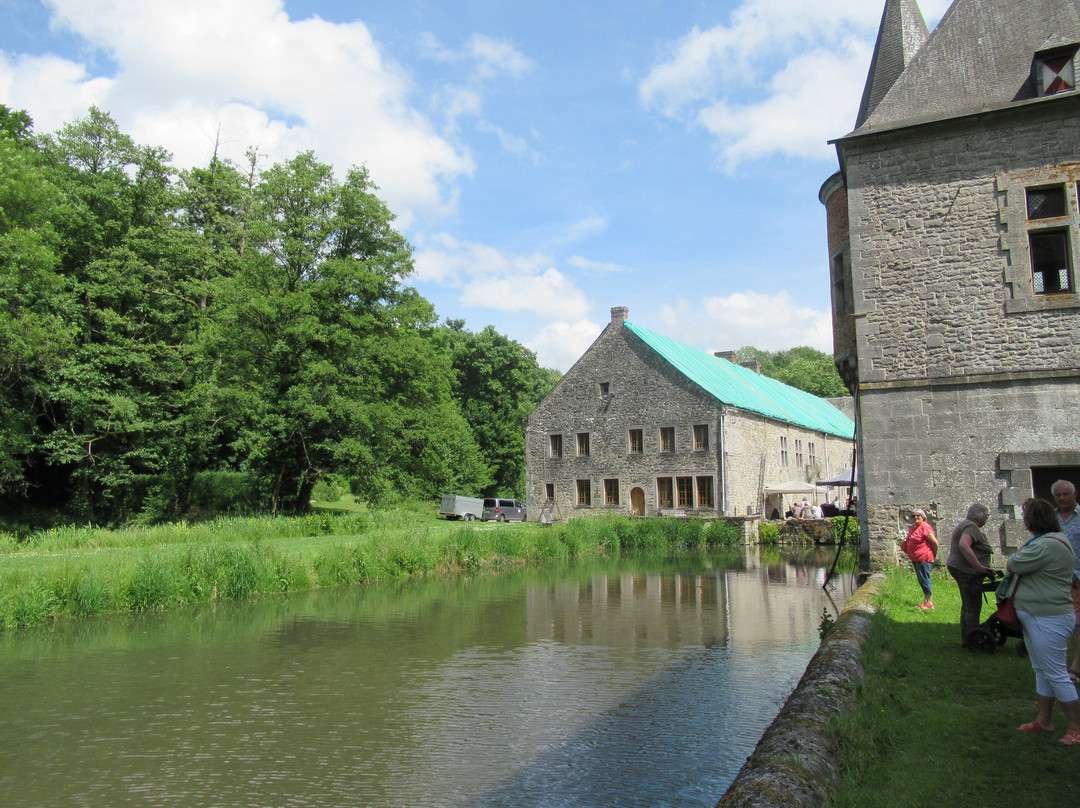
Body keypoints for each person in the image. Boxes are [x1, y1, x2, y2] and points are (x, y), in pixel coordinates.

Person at [1008, 498, 1080, 745]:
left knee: (1057, 673)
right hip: (1041, 616)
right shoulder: (1053, 542)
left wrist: (1019, 553)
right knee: (1042, 670)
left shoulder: (1046, 545)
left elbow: (1014, 563)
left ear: (1032, 522)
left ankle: (1075, 729)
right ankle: (1044, 720)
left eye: (1027, 517)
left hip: (1048, 617)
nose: (1025, 522)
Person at [945, 503, 993, 648]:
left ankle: (967, 639)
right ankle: (973, 641)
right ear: (981, 515)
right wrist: (978, 567)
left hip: (960, 568)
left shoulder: (965, 525)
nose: (987, 519)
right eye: (987, 516)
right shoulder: (971, 527)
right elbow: (964, 545)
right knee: (973, 604)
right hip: (967, 571)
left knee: (968, 604)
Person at [1052, 480, 1080, 683]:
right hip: (1052, 580)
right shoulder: (1050, 518)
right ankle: (1057, 663)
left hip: (1077, 580)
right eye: (1058, 495)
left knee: (1078, 624)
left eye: (1065, 494)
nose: (1062, 498)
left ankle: (1076, 666)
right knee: (1056, 623)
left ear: (1074, 494)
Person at [901, 508, 938, 609]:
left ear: (923, 517)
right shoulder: (914, 527)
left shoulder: (925, 527)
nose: (916, 517)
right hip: (916, 558)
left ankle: (929, 603)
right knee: (921, 579)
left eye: (918, 515)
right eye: (913, 516)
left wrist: (934, 553)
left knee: (925, 578)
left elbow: (934, 542)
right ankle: (926, 601)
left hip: (924, 557)